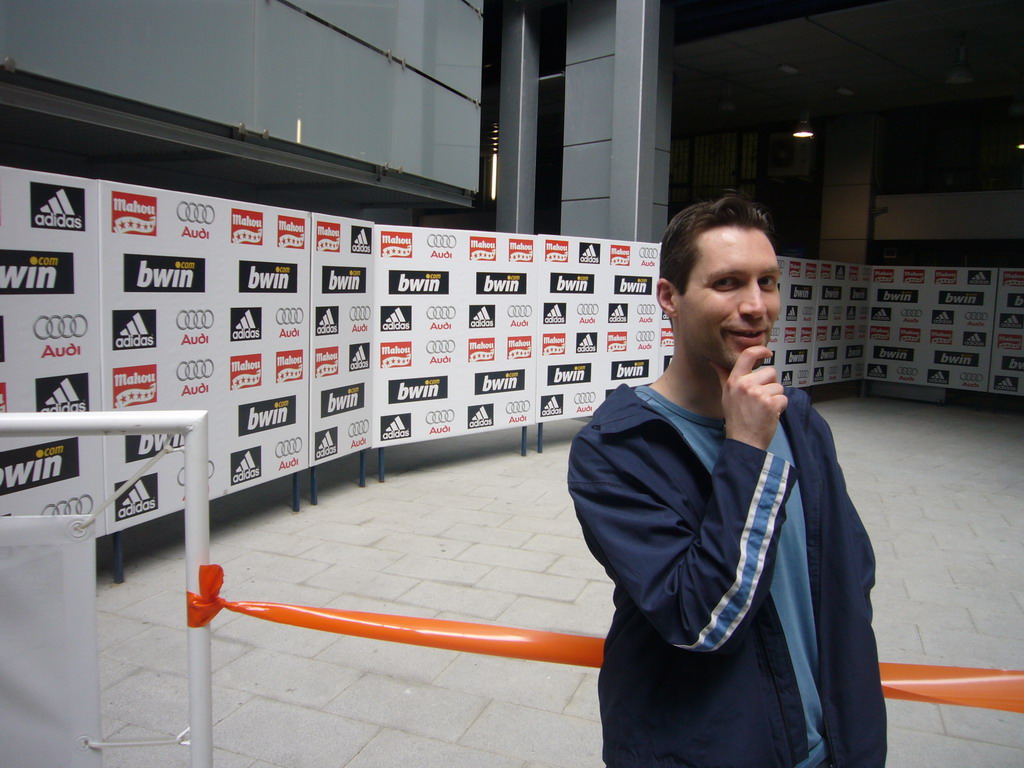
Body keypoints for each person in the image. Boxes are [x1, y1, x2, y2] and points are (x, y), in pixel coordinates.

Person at [567, 193, 886, 768]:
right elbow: (699, 619)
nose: (756, 306)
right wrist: (743, 448)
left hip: (830, 746)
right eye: (728, 284)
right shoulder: (618, 446)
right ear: (670, 297)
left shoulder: (801, 421)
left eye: (768, 281)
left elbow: (849, 574)